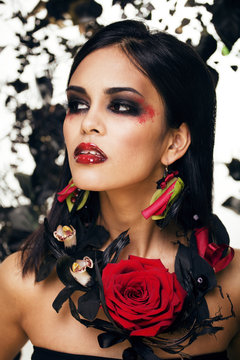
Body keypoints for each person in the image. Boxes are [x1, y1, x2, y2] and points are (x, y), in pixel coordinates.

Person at [0, 20, 239, 360]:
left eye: (122, 106)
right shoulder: (21, 279)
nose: (87, 123)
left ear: (174, 142)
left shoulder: (235, 286)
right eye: (78, 104)